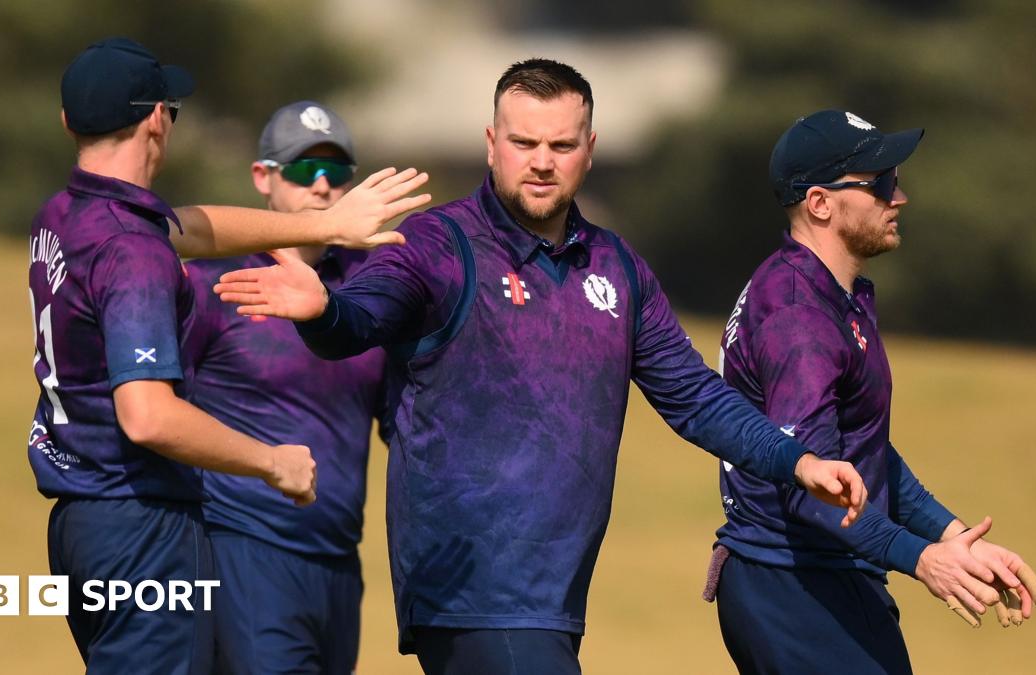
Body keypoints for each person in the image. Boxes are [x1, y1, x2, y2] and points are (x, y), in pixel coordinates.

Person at [214, 59, 867, 675]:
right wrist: (323, 308)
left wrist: (798, 460)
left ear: (590, 147)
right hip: (469, 591)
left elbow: (694, 395)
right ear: (492, 142)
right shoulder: (436, 244)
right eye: (525, 143)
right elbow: (356, 322)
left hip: (552, 600)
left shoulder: (617, 266)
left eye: (560, 146)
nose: (541, 163)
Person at [28, 38, 427, 674]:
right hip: (141, 530)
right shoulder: (134, 251)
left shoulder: (66, 215)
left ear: (68, 122)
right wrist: (271, 463)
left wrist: (326, 227)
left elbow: (183, 225)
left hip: (80, 524)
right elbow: (149, 416)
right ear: (158, 118)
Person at [707, 109, 1036, 674]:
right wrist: (924, 560)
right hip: (793, 589)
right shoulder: (799, 318)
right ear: (820, 203)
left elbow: (861, 449)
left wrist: (954, 537)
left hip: (828, 578)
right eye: (881, 184)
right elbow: (811, 487)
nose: (900, 197)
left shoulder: (838, 295)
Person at [182, 101, 389, 675]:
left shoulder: (371, 293)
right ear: (262, 178)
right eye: (302, 169)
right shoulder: (214, 283)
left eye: (336, 171)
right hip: (244, 550)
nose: (321, 185)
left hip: (339, 564)